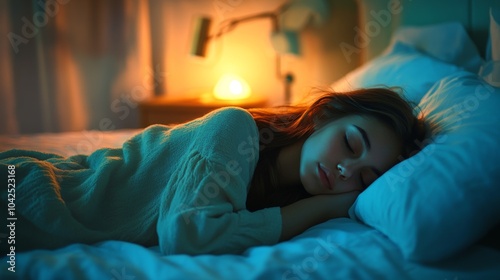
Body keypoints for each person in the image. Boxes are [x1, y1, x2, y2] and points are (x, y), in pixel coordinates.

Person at [0, 87, 426, 255]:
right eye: (351, 144)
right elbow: (186, 234)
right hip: (28, 196)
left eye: (365, 178)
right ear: (325, 114)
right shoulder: (236, 127)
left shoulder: (282, 195)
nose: (345, 170)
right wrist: (326, 208)